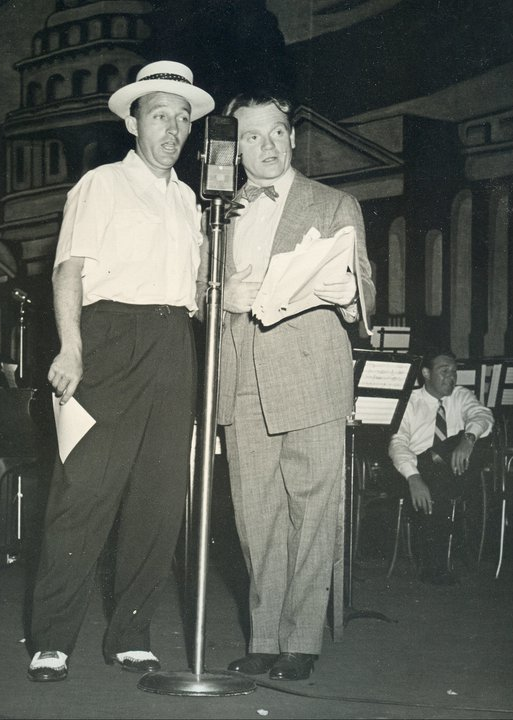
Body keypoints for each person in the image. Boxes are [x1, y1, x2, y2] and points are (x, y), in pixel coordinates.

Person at [26, 61, 214, 682]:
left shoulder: (192, 201)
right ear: (134, 121)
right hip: (109, 338)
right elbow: (69, 271)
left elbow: (198, 291)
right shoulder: (100, 184)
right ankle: (52, 639)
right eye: (160, 114)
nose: (173, 128)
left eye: (183, 117)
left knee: (159, 500)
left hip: (173, 342)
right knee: (85, 492)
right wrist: (71, 349)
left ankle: (131, 632)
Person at [208, 92, 375, 681]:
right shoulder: (218, 212)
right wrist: (218, 299)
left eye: (277, 132)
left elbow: (365, 295)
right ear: (236, 146)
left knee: (313, 513)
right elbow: (196, 296)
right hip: (243, 379)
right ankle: (263, 636)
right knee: (256, 519)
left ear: (294, 136)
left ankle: (300, 641)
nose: (268, 146)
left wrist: (349, 294)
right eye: (253, 137)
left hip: (311, 375)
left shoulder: (334, 203)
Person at [388, 347, 494, 585]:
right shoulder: (410, 401)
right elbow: (397, 443)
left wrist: (467, 440)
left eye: (454, 371)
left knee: (475, 438)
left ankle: (434, 566)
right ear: (426, 373)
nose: (452, 377)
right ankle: (442, 562)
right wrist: (414, 477)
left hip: (452, 471)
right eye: (444, 371)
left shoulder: (461, 395)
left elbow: (482, 414)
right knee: (442, 470)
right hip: (418, 471)